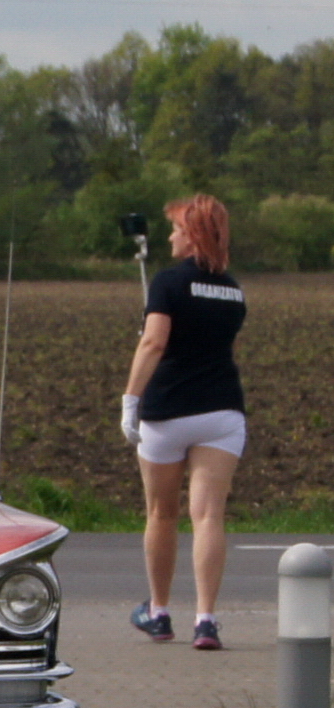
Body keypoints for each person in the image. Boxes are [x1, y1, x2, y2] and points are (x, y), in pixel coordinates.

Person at [122, 194, 247, 650]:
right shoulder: (233, 288)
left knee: (162, 513)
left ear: (192, 234)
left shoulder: (169, 283)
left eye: (176, 229)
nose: (171, 236)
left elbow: (155, 343)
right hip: (222, 411)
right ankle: (207, 620)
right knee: (209, 515)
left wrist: (130, 399)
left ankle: (158, 612)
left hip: (168, 410)